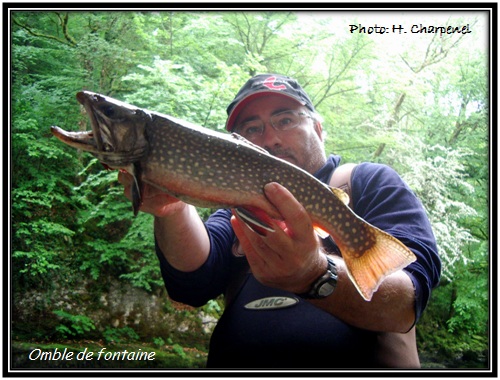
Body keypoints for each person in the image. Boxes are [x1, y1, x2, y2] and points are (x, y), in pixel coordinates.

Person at [118, 74, 441, 369]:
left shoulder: (367, 182)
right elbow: (191, 283)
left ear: (317, 128)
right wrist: (173, 208)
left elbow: (407, 301)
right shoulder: (233, 205)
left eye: (284, 120)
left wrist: (316, 274)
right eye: (252, 129)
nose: (269, 138)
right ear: (237, 145)